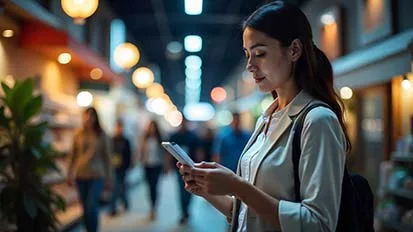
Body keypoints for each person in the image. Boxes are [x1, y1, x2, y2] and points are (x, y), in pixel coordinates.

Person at [178, 1, 352, 231]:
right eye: (247, 54)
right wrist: (207, 192)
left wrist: (237, 186)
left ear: (294, 50)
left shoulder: (317, 120)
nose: (250, 65)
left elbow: (318, 224)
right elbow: (248, 216)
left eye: (260, 53)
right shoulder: (266, 119)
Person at [67, 107, 112, 232]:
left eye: (91, 116)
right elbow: (72, 155)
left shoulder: (102, 134)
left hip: (97, 176)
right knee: (85, 208)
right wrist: (69, 173)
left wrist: (109, 178)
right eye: (86, 116)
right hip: (81, 175)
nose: (88, 119)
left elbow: (107, 158)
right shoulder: (78, 134)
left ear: (96, 118)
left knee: (91, 206)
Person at [167, 117, 201, 224]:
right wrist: (167, 165)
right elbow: (168, 153)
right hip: (178, 168)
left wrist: (199, 165)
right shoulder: (175, 136)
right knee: (181, 190)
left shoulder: (193, 137)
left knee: (191, 190)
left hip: (192, 168)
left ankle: (186, 209)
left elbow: (199, 152)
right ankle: (183, 212)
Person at [139, 120, 164, 221]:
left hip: (157, 166)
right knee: (149, 187)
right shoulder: (145, 139)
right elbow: (140, 151)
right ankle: (151, 205)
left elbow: (163, 153)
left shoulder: (159, 139)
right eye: (151, 127)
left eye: (154, 127)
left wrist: (166, 165)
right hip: (147, 166)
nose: (152, 129)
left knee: (154, 186)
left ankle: (154, 207)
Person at [109, 119, 132, 216]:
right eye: (117, 127)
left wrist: (128, 166)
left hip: (123, 168)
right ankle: (113, 208)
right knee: (115, 187)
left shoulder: (126, 140)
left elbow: (129, 154)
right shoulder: (112, 140)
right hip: (114, 168)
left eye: (120, 127)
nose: (119, 129)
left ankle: (125, 202)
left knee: (121, 187)